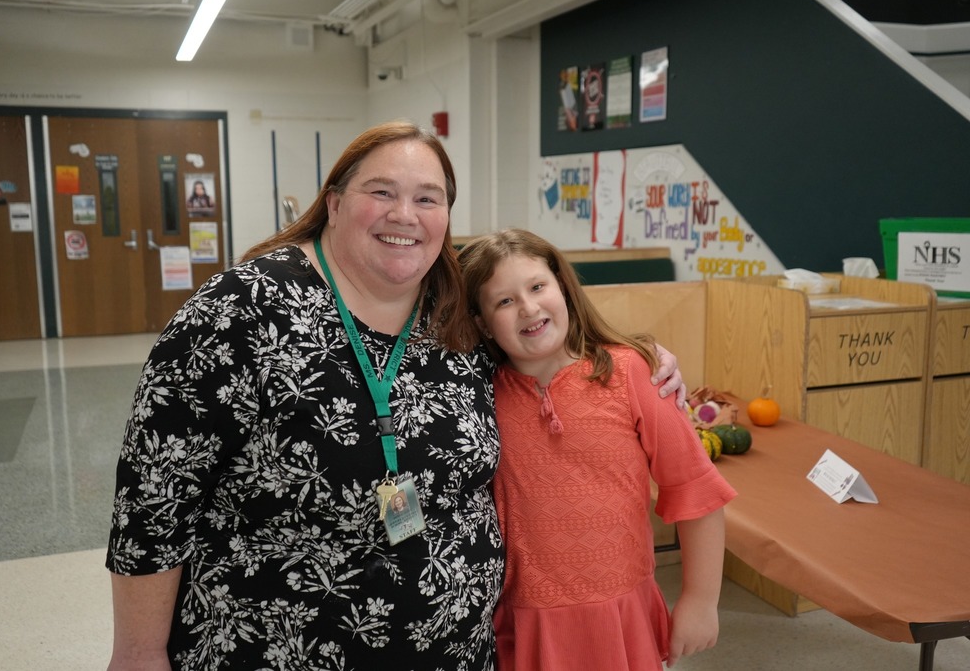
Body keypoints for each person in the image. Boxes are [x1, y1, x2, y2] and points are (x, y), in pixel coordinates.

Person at [105, 121, 684, 670]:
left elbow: (542, 348)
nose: (404, 215)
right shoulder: (243, 310)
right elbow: (155, 495)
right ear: (333, 203)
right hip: (278, 647)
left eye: (428, 199)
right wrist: (139, 652)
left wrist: (639, 354)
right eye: (382, 191)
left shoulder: (456, 310)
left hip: (458, 650)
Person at [458, 228, 737, 671]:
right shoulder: (476, 395)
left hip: (621, 617)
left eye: (537, 287)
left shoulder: (631, 373)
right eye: (504, 301)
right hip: (525, 624)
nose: (528, 308)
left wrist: (701, 601)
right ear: (481, 321)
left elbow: (695, 491)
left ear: (563, 287)